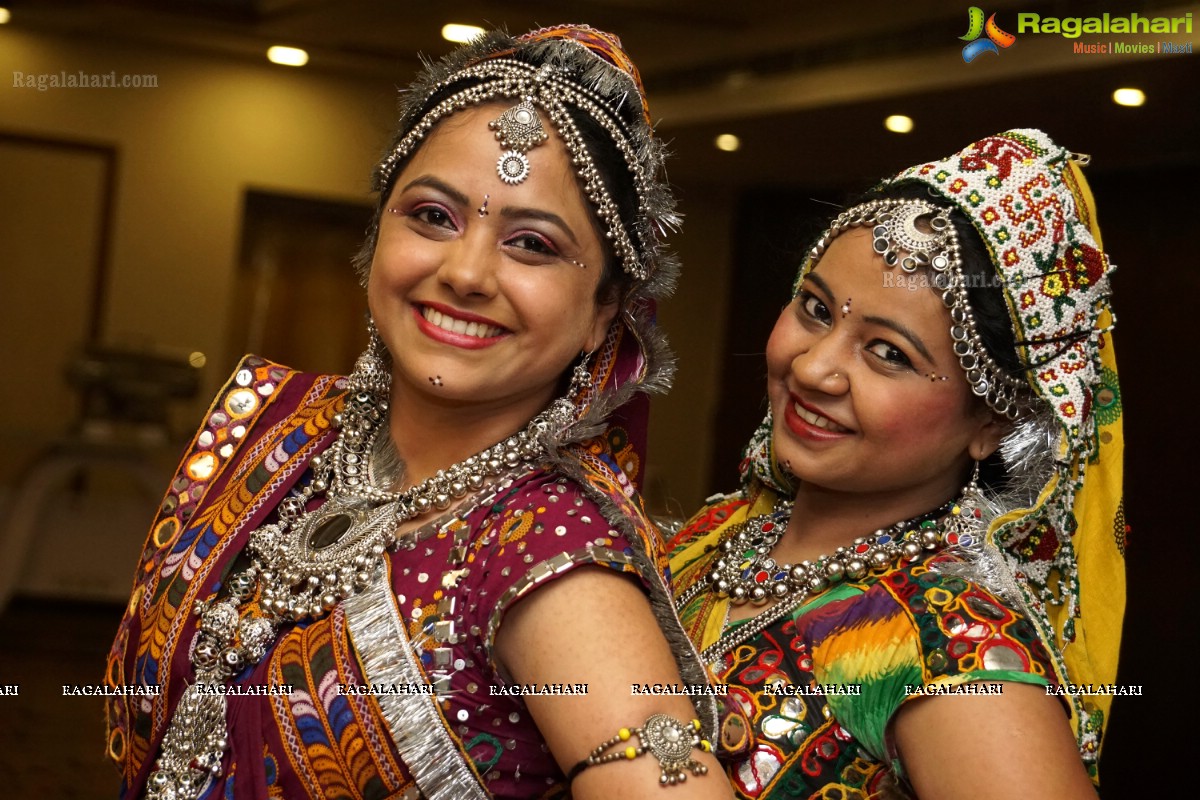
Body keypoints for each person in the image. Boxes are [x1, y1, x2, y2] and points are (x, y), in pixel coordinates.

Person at [104, 25, 729, 800]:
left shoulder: (548, 554)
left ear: (607, 310)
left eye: (531, 243)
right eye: (433, 216)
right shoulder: (297, 435)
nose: (465, 272)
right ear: (379, 233)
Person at [669, 129, 1123, 799]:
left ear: (990, 423)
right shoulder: (709, 540)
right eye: (817, 310)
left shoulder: (948, 648)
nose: (814, 367)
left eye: (889, 354)